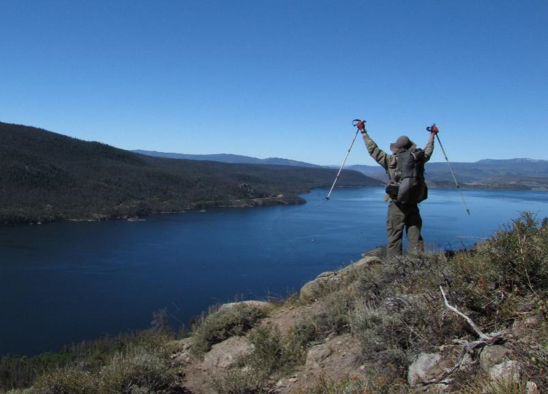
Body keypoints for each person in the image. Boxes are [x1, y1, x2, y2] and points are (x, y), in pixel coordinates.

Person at [359, 122, 438, 256]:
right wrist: (432, 135)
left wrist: (363, 132)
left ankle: (395, 267)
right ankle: (418, 262)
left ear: (397, 148)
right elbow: (428, 150)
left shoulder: (390, 160)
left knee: (394, 236)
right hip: (413, 203)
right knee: (415, 234)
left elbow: (373, 150)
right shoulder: (418, 160)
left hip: (397, 204)